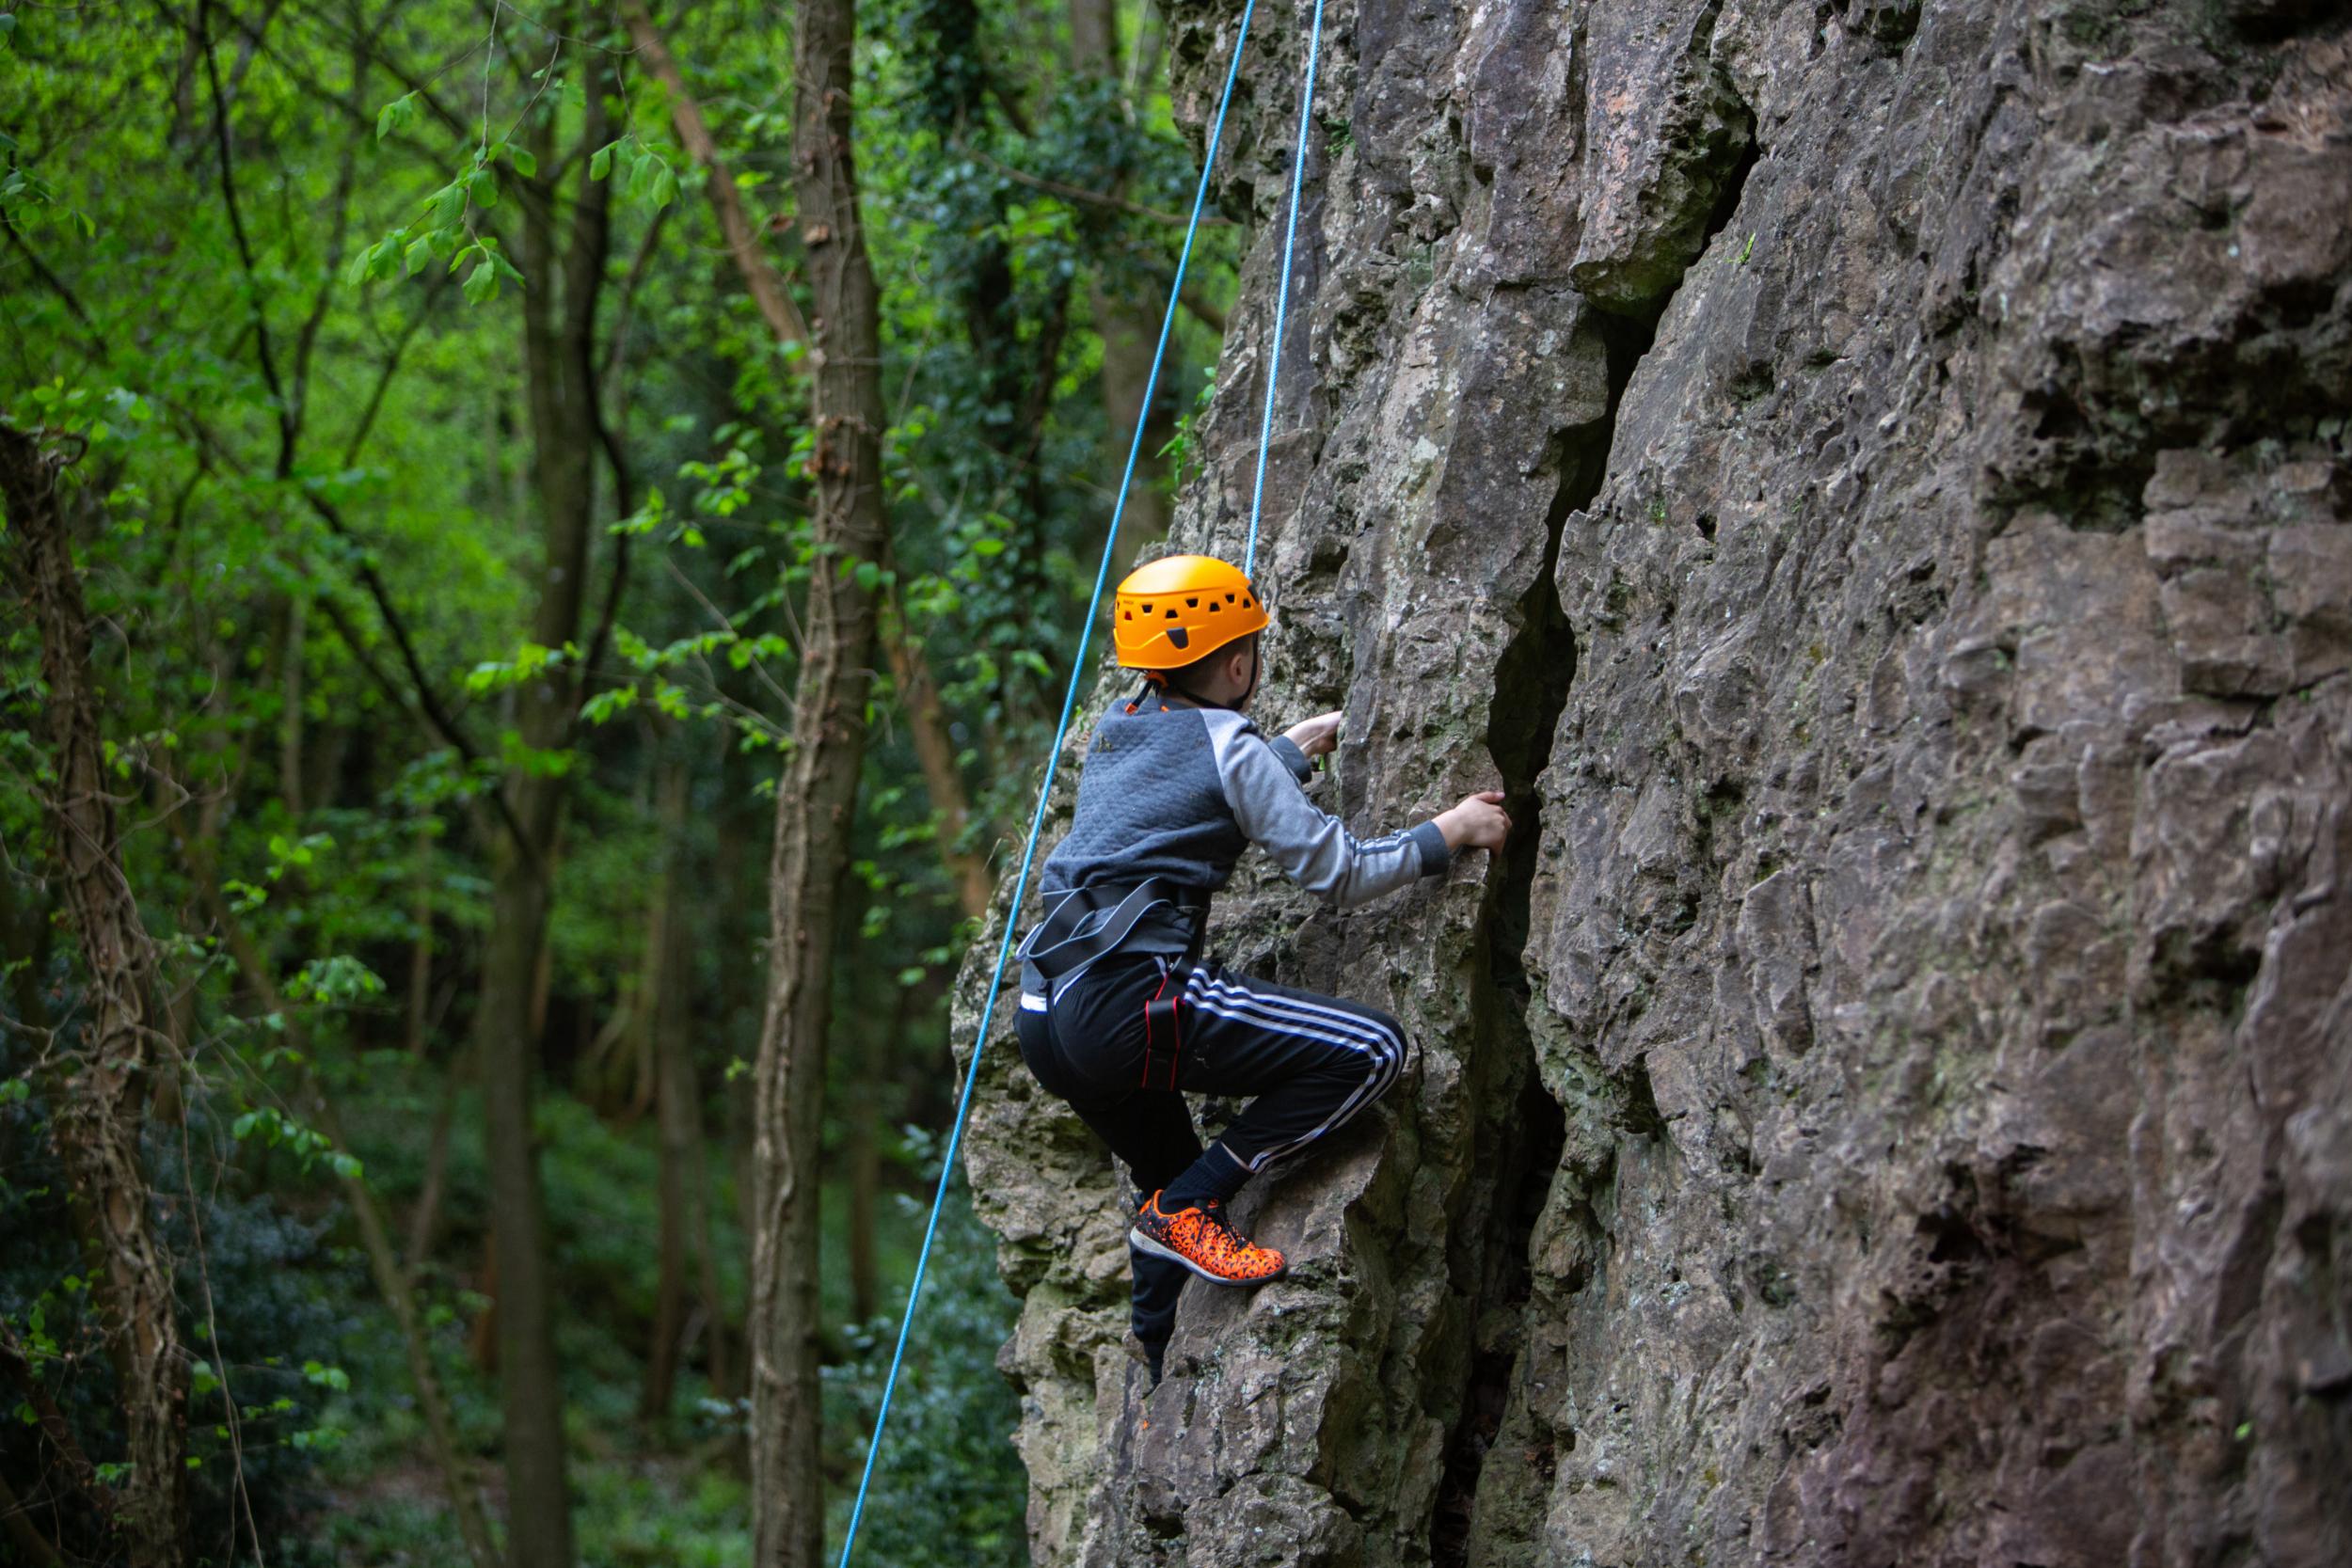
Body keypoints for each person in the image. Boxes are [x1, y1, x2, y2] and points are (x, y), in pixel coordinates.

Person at [1013, 553, 1512, 1385]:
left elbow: (1165, 800)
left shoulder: (1116, 724)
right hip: (1128, 1004)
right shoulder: (1231, 748)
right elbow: (1340, 870)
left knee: (1161, 1165)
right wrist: (1447, 832)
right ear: (1239, 663)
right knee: (1375, 1050)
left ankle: (1157, 1353)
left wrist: (1278, 753)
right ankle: (1185, 1208)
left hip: (1047, 1014)